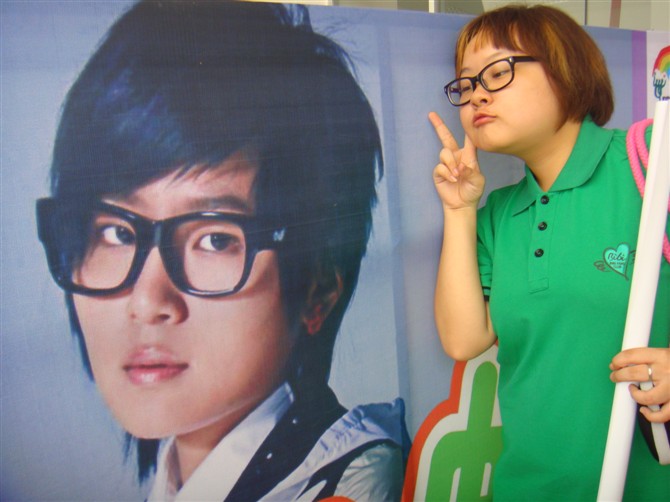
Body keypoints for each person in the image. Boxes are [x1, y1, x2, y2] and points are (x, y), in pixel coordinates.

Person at [35, 1, 408, 500]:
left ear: (318, 289)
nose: (147, 302)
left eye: (215, 239)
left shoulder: (351, 484)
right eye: (116, 233)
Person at [430, 4, 669, 500]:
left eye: (498, 71)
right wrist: (459, 210)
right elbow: (463, 340)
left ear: (567, 72)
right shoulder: (498, 214)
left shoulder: (653, 156)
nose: (477, 95)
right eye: (466, 84)